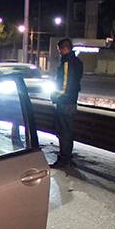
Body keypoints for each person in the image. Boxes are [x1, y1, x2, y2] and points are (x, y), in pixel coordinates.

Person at [51, 38, 83, 167]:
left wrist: (55, 96)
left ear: (65, 49)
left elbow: (65, 85)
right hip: (71, 101)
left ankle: (64, 159)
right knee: (68, 130)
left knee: (63, 131)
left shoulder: (67, 62)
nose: (59, 53)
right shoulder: (77, 62)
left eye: (59, 50)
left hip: (64, 102)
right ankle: (67, 157)